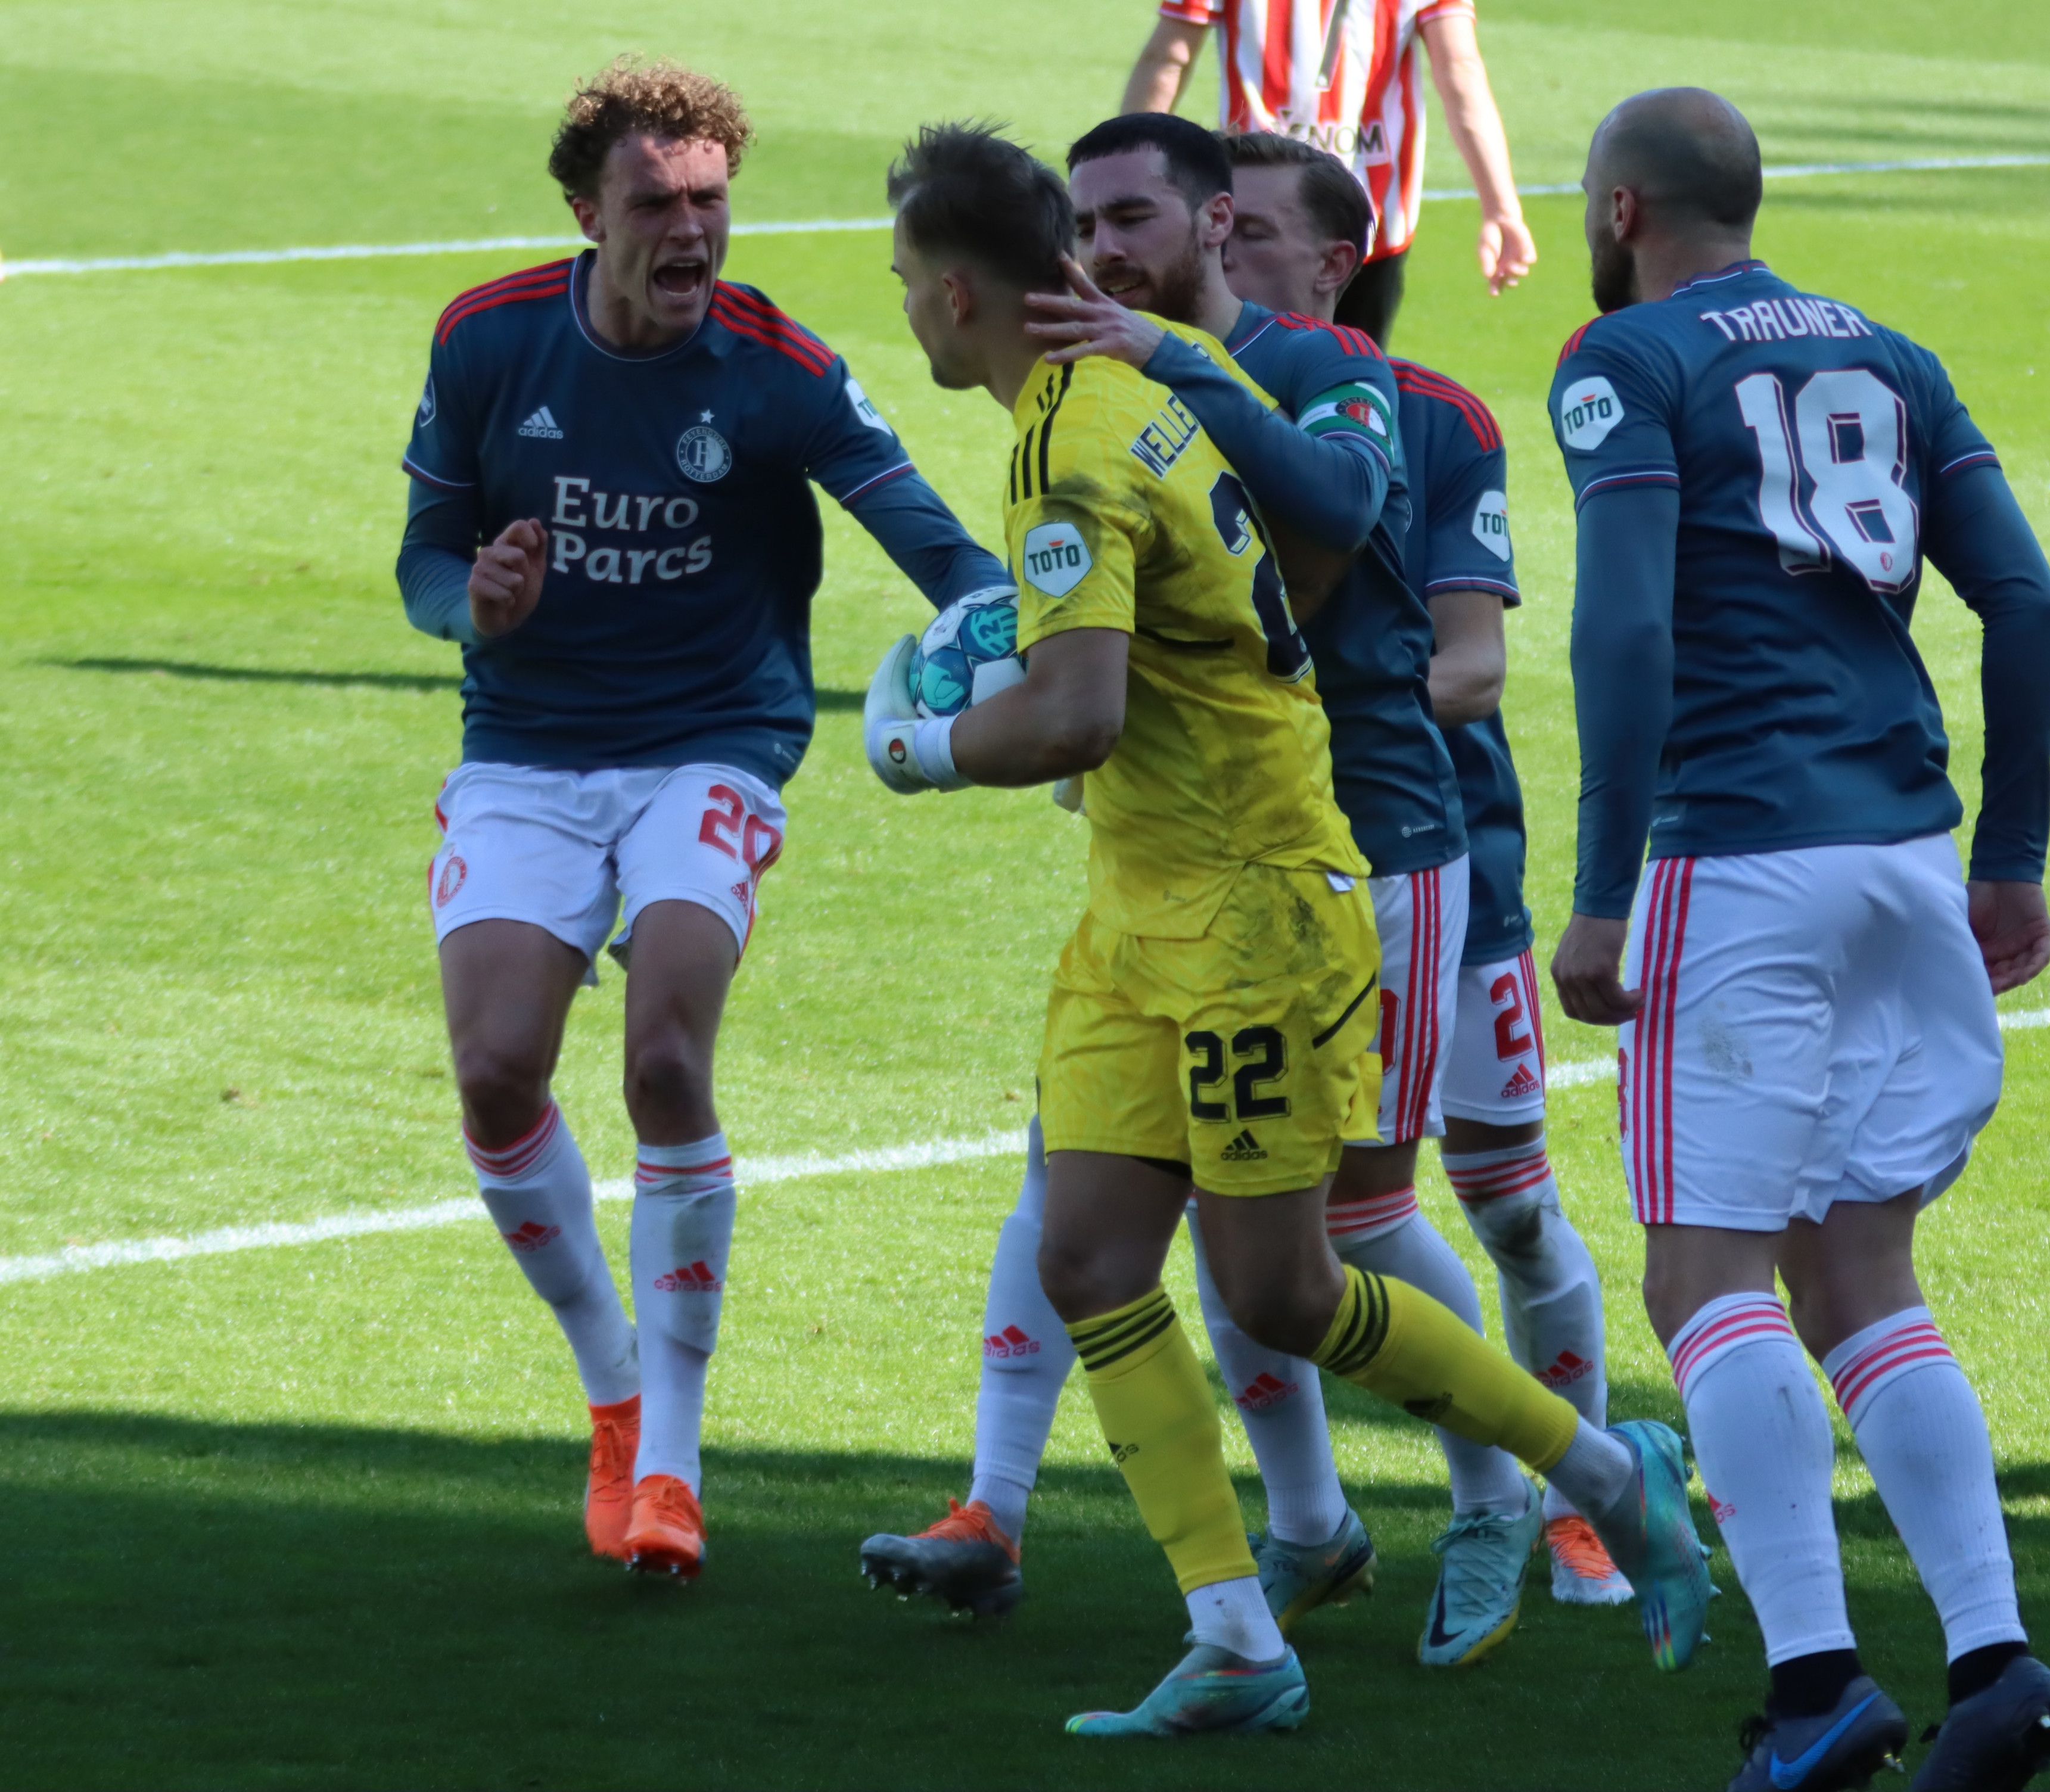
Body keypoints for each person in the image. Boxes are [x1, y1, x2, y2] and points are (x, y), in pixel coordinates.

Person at [867, 119, 1709, 1738]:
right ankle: (1239, 1633)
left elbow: (1077, 717)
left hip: (1257, 911)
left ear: (959, 293)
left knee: (1284, 1290)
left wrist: (916, 745)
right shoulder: (1141, 385)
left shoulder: (1082, 437)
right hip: (1140, 908)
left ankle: (1608, 1468)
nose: (904, 307)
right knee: (1091, 1251)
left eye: (907, 281)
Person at [395, 58, 1008, 1578]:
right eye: (657, 204)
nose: (691, 233)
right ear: (584, 210)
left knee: (666, 1052)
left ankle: (667, 1462)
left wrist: (1036, 635)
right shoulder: (488, 341)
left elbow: (941, 550)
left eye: (711, 202)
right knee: (491, 1074)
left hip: (711, 746)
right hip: (528, 746)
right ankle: (611, 1389)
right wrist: (472, 603)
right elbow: (421, 558)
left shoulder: (774, 366)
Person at [1543, 86, 2050, 1792]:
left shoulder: (1626, 358)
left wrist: (1607, 881)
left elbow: (1625, 623)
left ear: (1625, 207)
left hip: (1741, 860)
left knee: (1708, 1278)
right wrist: (2012, 855)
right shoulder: (1894, 355)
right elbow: (2030, 599)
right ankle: (1994, 1661)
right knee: (1864, 1278)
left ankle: (1817, 1683)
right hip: (1908, 857)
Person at [1214, 127, 1637, 1613]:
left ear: (1336, 257)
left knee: (1501, 1198)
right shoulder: (1176, 397)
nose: (1219, 252)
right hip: (1246, 871)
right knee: (1230, 1191)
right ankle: (1305, 1512)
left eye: (1249, 230)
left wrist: (1267, 705)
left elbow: (1469, 666)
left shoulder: (1435, 416)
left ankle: (1569, 1493)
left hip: (1437, 864)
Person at [1122, 0, 1533, 345]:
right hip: (1369, 212)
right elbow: (1459, 67)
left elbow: (1169, 57)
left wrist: (1127, 184)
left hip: (1254, 217)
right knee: (1352, 384)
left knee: (1247, 377)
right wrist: (1501, 207)